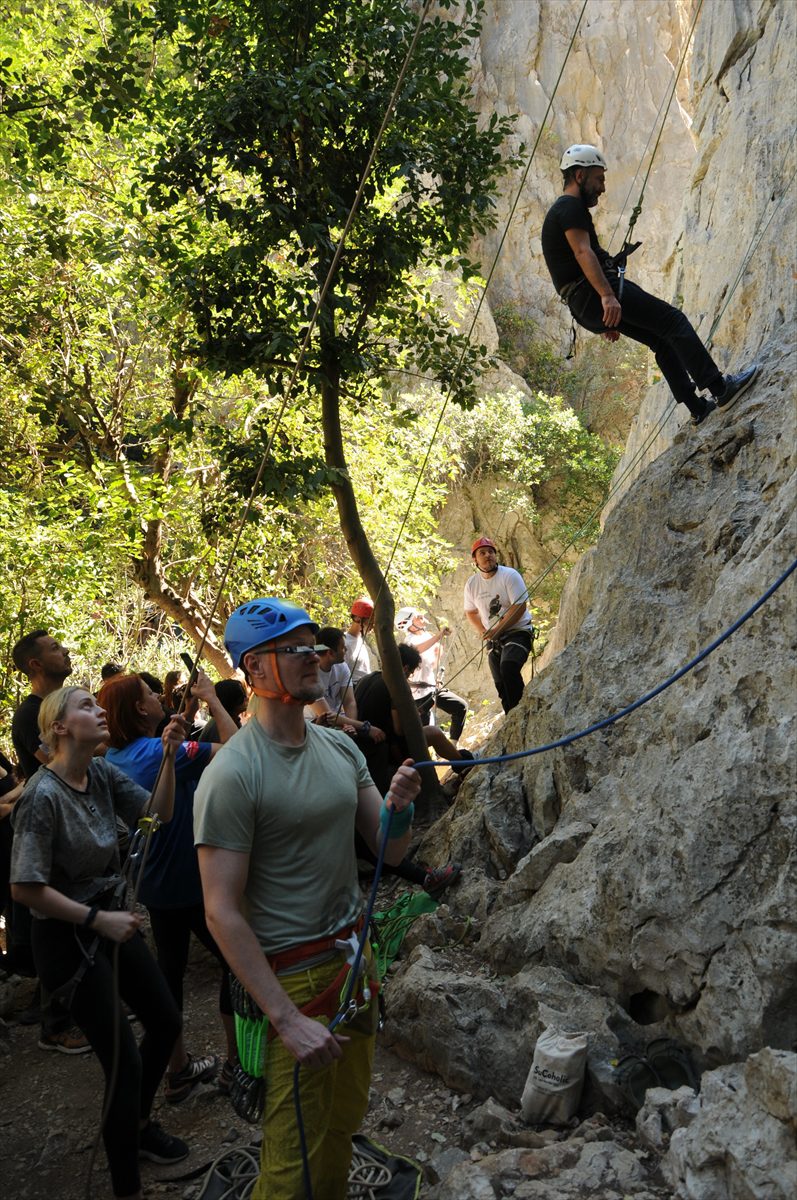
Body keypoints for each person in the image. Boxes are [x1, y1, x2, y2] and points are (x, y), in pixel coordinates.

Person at [193, 598, 421, 1198]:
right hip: (293, 978)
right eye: (292, 649)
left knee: (342, 1123)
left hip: (353, 962)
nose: (312, 657)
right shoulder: (233, 774)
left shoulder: (341, 749)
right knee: (293, 1151)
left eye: (311, 646)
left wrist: (402, 807)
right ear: (256, 669)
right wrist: (285, 1018)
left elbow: (390, 851)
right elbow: (220, 910)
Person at [10, 686, 190, 1196]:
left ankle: (136, 1126)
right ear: (60, 727)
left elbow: (158, 816)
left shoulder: (101, 773)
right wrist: (95, 918)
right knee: (123, 1059)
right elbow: (24, 888)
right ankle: (126, 1186)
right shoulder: (41, 797)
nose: (98, 712)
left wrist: (171, 758)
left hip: (109, 919)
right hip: (68, 938)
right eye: (86, 707)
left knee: (164, 1019)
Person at [541, 143, 760, 427]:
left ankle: (697, 408)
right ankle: (721, 389)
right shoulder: (569, 207)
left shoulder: (565, 210)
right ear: (580, 176)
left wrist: (603, 316)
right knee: (673, 320)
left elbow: (577, 259)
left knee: (660, 340)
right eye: (599, 179)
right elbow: (584, 253)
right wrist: (607, 296)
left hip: (582, 304)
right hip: (593, 294)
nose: (603, 187)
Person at [98, 671, 239, 1102]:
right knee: (236, 964)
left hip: (154, 881)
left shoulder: (114, 757)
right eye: (151, 694)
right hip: (189, 877)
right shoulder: (158, 754)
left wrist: (187, 714)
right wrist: (213, 699)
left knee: (171, 970)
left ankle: (177, 1069)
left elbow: (166, 753)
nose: (161, 697)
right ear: (141, 709)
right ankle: (235, 1066)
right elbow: (239, 747)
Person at [10, 628, 89, 1053]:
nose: (64, 651)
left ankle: (89, 1005)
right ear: (36, 665)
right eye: (55, 649)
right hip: (50, 828)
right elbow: (57, 762)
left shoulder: (58, 705)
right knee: (56, 927)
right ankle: (55, 1024)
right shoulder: (29, 715)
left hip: (76, 825)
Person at [355, 643, 474, 794]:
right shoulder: (396, 688)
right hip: (384, 748)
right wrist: (413, 715)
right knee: (434, 733)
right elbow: (399, 729)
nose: (409, 676)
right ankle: (464, 765)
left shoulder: (367, 678)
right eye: (410, 672)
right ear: (405, 668)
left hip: (363, 742)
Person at [464, 537, 533, 714]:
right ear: (475, 559)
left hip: (518, 632)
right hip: (494, 637)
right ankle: (511, 716)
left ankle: (522, 712)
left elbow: (519, 607)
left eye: (491, 552)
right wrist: (483, 631)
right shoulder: (472, 584)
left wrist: (496, 630)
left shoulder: (509, 575)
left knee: (509, 667)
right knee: (500, 683)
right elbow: (471, 612)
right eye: (482, 553)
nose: (488, 555)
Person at [305, 626, 387, 748]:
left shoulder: (342, 667)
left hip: (340, 723)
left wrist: (352, 726)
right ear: (330, 653)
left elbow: (349, 702)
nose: (346, 650)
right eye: (343, 648)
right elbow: (326, 715)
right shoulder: (309, 674)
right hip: (315, 725)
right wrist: (364, 726)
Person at [395, 607, 468, 742]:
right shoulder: (408, 641)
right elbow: (416, 650)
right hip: (418, 697)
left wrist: (438, 653)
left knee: (460, 707)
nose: (422, 617)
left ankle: (453, 745)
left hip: (431, 689)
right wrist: (438, 636)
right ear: (409, 623)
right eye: (418, 616)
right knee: (426, 734)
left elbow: (431, 662)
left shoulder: (426, 636)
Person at [199, 679, 248, 743]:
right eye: (242, 697)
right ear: (230, 701)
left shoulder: (232, 719)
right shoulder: (219, 729)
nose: (247, 698)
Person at [343, 597, 377, 686]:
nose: (372, 626)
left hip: (365, 687)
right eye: (370, 622)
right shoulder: (345, 644)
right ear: (358, 619)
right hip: (355, 690)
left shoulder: (360, 640)